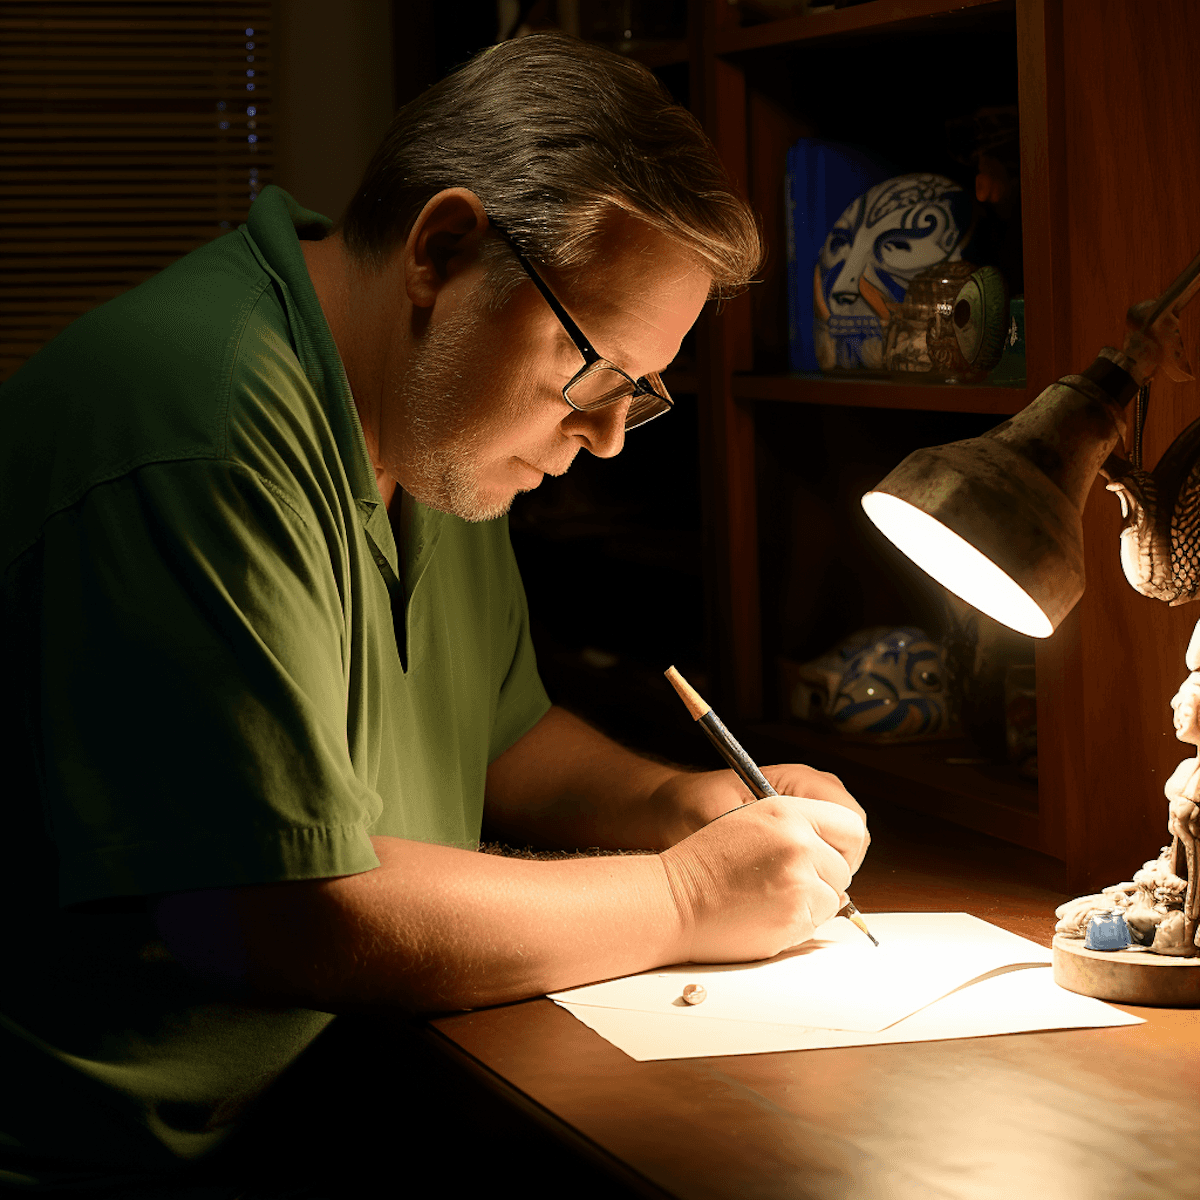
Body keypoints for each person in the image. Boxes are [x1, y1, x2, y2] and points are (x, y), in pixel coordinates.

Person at [0, 32, 869, 1198]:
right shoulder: (197, 431)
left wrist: (686, 805)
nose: (608, 435)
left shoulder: (431, 418)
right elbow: (297, 917)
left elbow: (496, 739)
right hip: (101, 1158)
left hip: (331, 1087)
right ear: (444, 251)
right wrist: (686, 895)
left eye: (640, 391)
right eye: (594, 370)